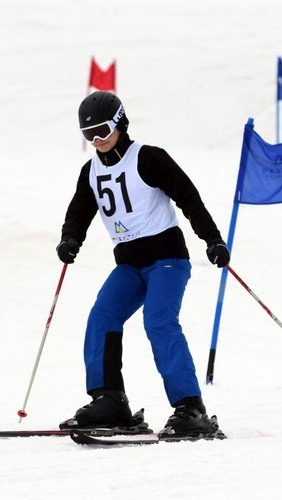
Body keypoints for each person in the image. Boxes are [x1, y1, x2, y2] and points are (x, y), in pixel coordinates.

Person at [56, 91, 230, 438]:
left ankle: (190, 407)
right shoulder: (90, 172)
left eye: (103, 130)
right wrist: (70, 238)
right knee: (102, 315)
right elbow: (79, 211)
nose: (97, 140)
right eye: (88, 134)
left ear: (120, 123)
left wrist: (213, 239)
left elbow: (188, 197)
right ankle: (110, 400)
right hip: (130, 266)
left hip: (167, 260)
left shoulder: (148, 159)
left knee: (159, 320)